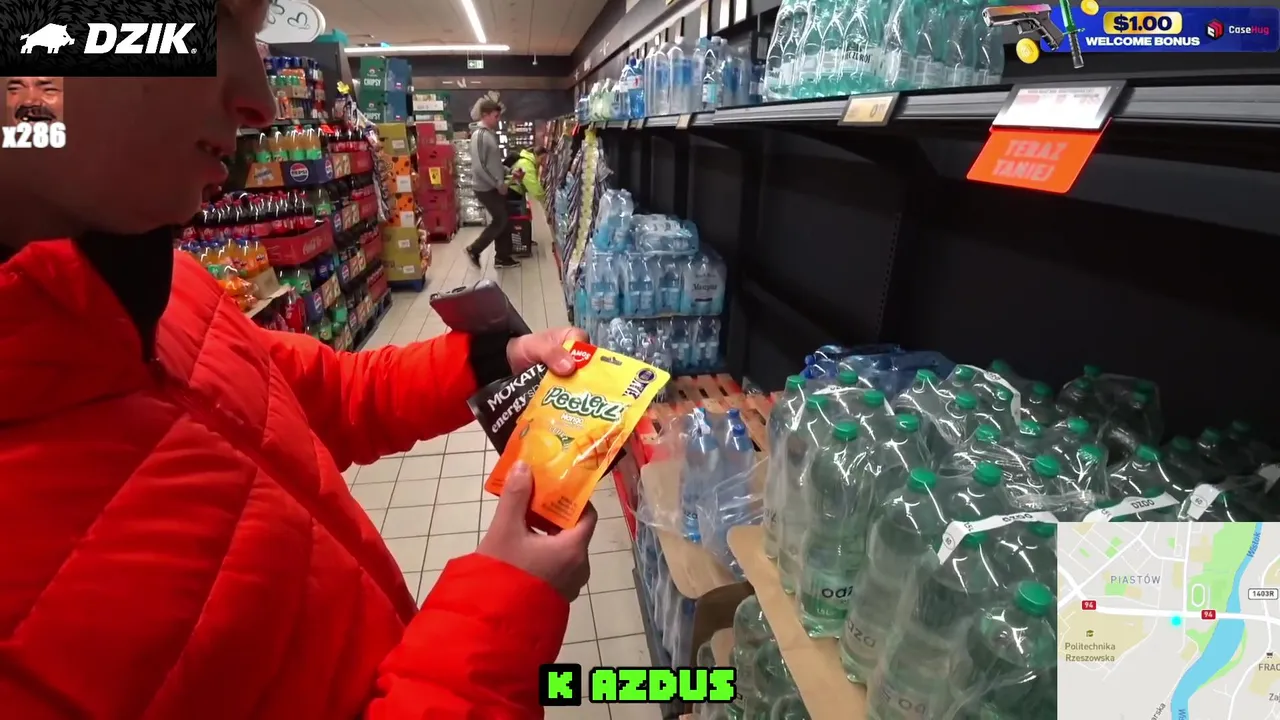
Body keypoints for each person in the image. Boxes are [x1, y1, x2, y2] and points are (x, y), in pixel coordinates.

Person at [0, 1, 597, 717]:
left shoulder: (163, 291)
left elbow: (337, 398)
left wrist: (496, 358)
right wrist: (500, 620)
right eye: (213, 20)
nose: (259, 99)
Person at [466, 99, 518, 269]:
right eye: (495, 116)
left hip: (493, 186)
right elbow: (479, 166)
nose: (498, 120)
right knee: (500, 219)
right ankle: (474, 249)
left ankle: (502, 257)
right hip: (485, 188)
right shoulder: (479, 136)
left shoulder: (489, 134)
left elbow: (493, 163)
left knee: (504, 219)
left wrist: (509, 171)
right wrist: (497, 184)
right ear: (485, 115)